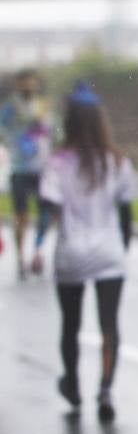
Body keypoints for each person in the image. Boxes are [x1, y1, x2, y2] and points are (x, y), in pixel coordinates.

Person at [33, 83, 138, 421]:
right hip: (109, 251)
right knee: (109, 323)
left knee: (70, 324)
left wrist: (36, 248)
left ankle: (73, 384)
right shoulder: (116, 161)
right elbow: (124, 212)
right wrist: (122, 248)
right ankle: (106, 388)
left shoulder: (58, 163)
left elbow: (48, 209)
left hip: (71, 252)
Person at [0, 69, 54, 279]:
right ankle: (21, 257)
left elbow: (56, 131)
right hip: (20, 168)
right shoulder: (10, 108)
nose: (29, 87)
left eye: (32, 83)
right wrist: (16, 140)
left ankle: (38, 250)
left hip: (42, 168)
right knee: (20, 215)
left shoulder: (44, 106)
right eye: (24, 83)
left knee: (45, 215)